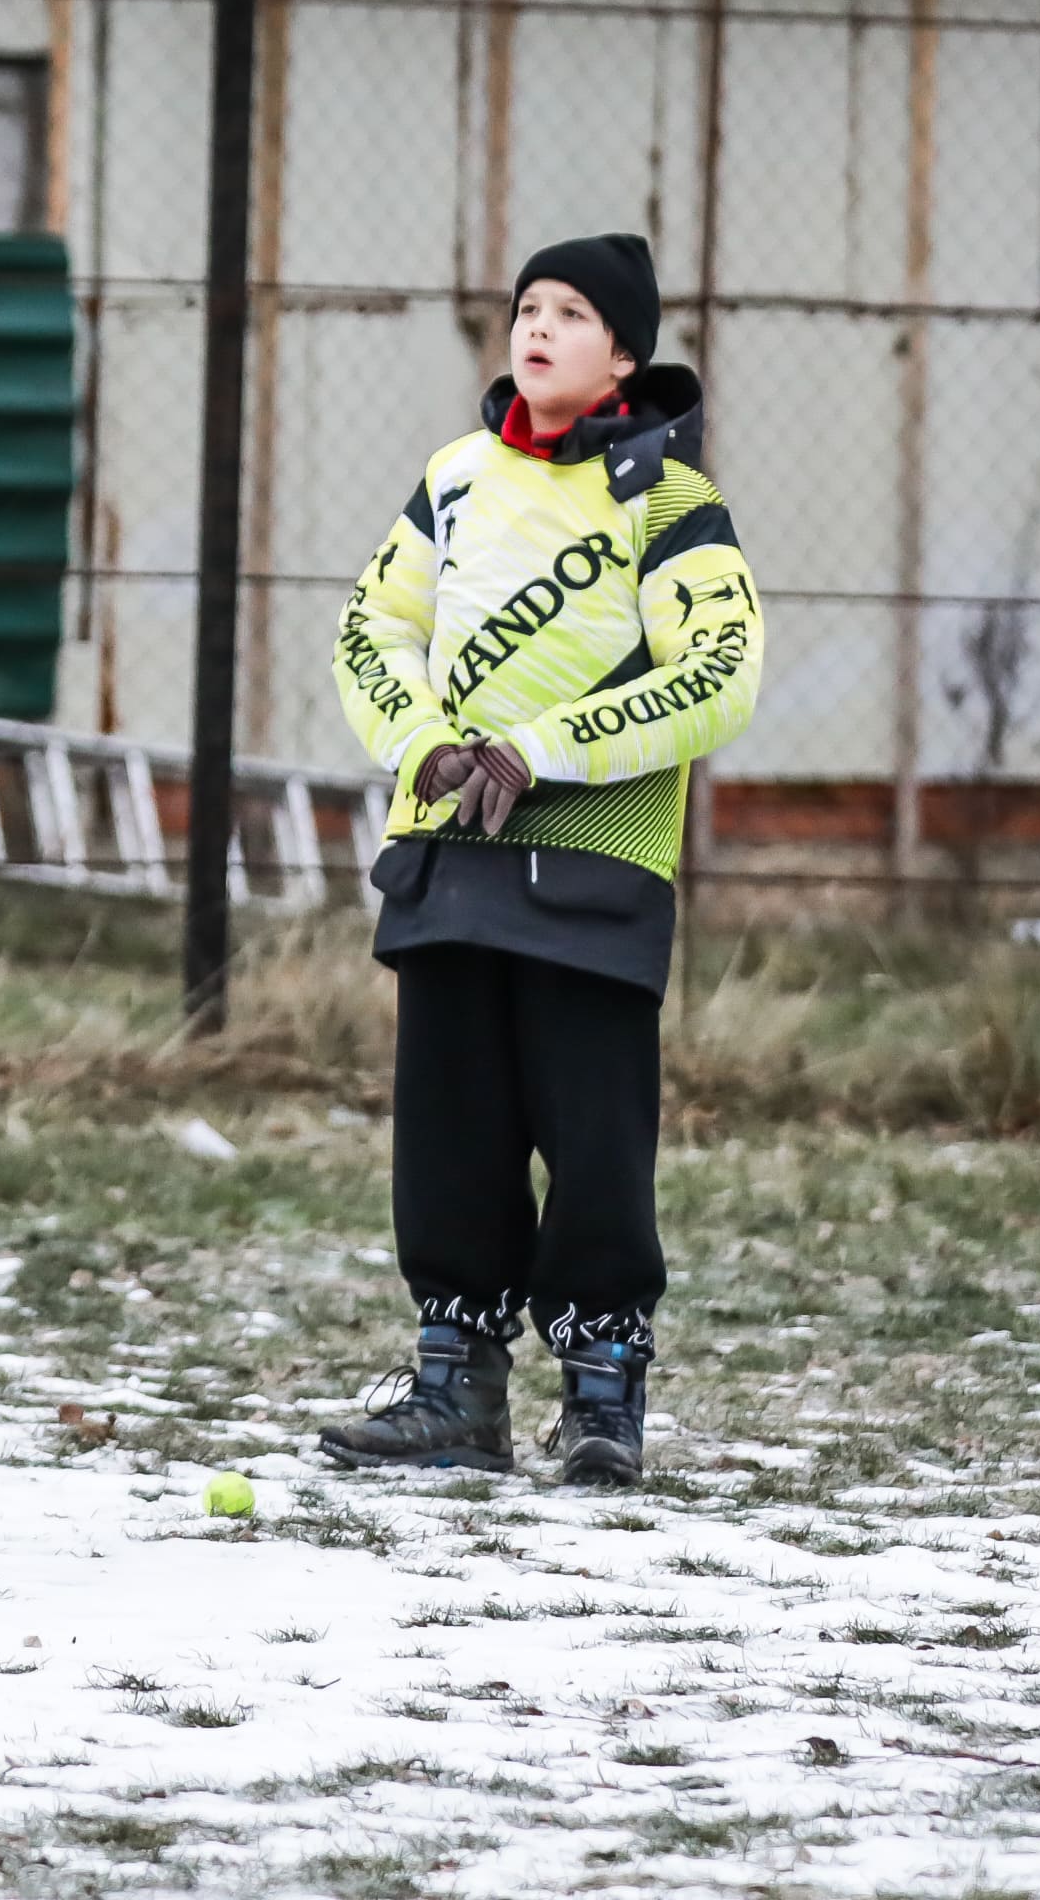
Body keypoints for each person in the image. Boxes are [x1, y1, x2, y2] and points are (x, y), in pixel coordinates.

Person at [316, 234, 763, 1488]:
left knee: (595, 1139)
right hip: (448, 858)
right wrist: (431, 747)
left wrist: (542, 749)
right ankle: (455, 1385)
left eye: (573, 313)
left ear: (624, 352)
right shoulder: (454, 478)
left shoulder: (672, 501)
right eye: (528, 307)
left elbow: (721, 675)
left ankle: (604, 1397)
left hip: (595, 868)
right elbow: (373, 629)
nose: (541, 327)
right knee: (450, 1129)